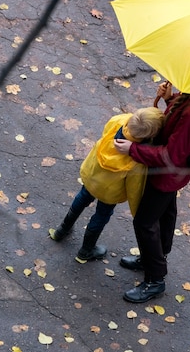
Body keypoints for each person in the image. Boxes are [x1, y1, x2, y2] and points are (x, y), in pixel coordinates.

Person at [114, 82, 190, 303]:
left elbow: (172, 155)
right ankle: (156, 256)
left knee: (144, 222)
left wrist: (133, 149)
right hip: (173, 175)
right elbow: (177, 129)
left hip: (166, 174)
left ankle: (155, 279)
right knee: (166, 213)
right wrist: (170, 99)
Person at [50, 106, 165, 264]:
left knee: (81, 198)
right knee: (101, 215)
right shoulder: (137, 159)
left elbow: (107, 130)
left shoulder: (118, 121)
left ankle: (61, 230)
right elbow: (134, 188)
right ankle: (85, 250)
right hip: (110, 192)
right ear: (150, 135)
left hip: (93, 176)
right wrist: (137, 210)